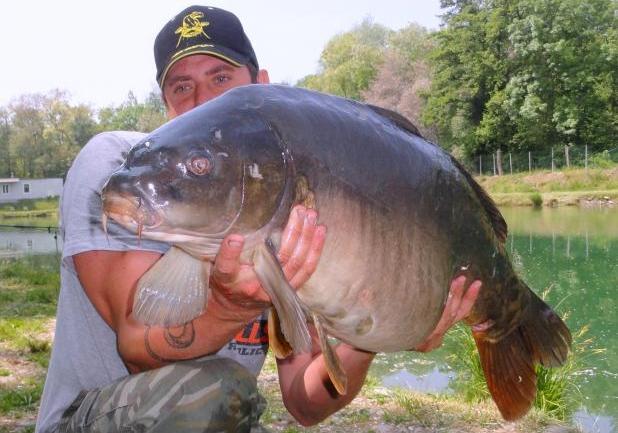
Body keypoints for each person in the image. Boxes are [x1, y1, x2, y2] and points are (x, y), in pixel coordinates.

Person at [35, 6, 483, 433]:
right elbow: (137, 350)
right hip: (89, 418)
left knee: (219, 399)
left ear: (261, 85)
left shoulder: (280, 192)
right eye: (181, 87)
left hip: (214, 416)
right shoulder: (120, 169)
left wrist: (370, 336)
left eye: (222, 78)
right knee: (214, 394)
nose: (202, 99)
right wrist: (233, 305)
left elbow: (305, 403)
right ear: (166, 102)